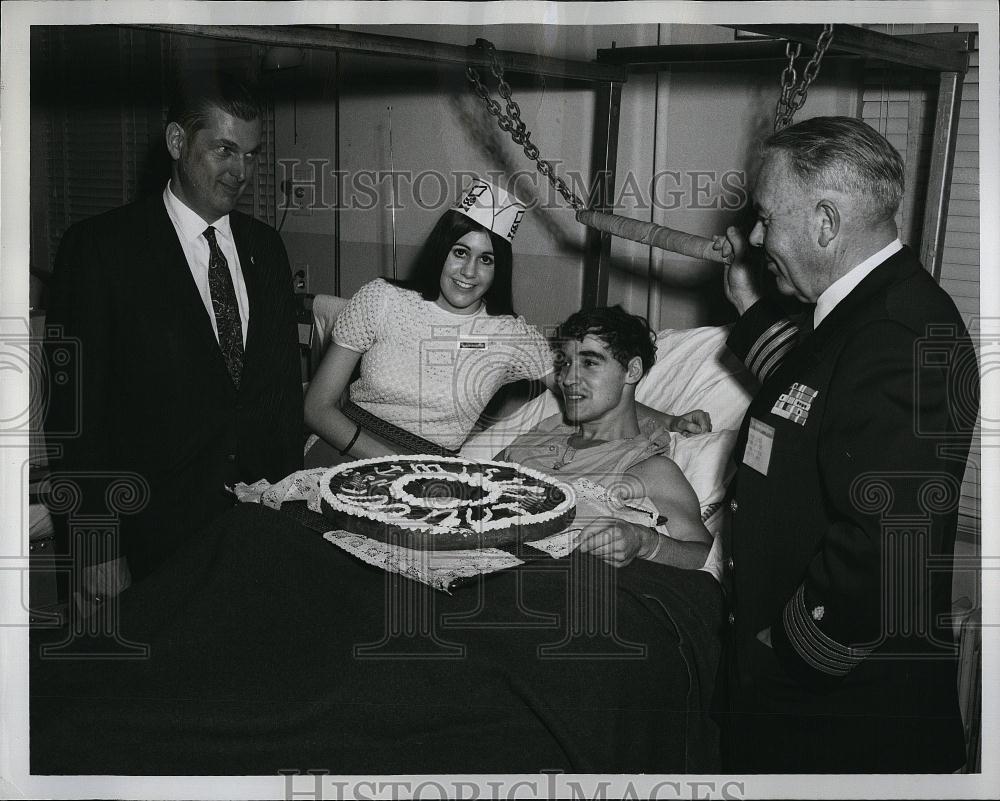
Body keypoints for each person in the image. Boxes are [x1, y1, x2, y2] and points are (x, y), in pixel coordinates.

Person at [712, 116, 978, 772]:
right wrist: (750, 308)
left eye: (766, 218)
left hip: (841, 717)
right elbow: (809, 401)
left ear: (825, 223)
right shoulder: (860, 313)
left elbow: (888, 540)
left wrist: (789, 650)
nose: (755, 236)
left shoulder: (896, 335)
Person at [45, 71, 303, 591]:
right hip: (151, 542)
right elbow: (76, 419)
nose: (241, 172)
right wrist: (96, 549)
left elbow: (280, 399)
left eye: (251, 154)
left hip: (257, 534)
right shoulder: (100, 250)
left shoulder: (266, 248)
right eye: (224, 150)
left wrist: (290, 510)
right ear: (177, 141)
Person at [304, 178, 710, 462]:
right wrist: (384, 460)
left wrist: (671, 420)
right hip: (342, 447)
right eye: (460, 252)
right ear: (442, 250)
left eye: (486, 259)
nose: (469, 272)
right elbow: (317, 407)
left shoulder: (509, 337)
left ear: (499, 269)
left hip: (429, 476)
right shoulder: (381, 299)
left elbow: (590, 389)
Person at [499, 305, 714, 570]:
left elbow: (704, 554)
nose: (567, 379)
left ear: (632, 371)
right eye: (565, 363)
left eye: (589, 363)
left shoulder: (647, 469)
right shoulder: (540, 435)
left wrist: (644, 542)